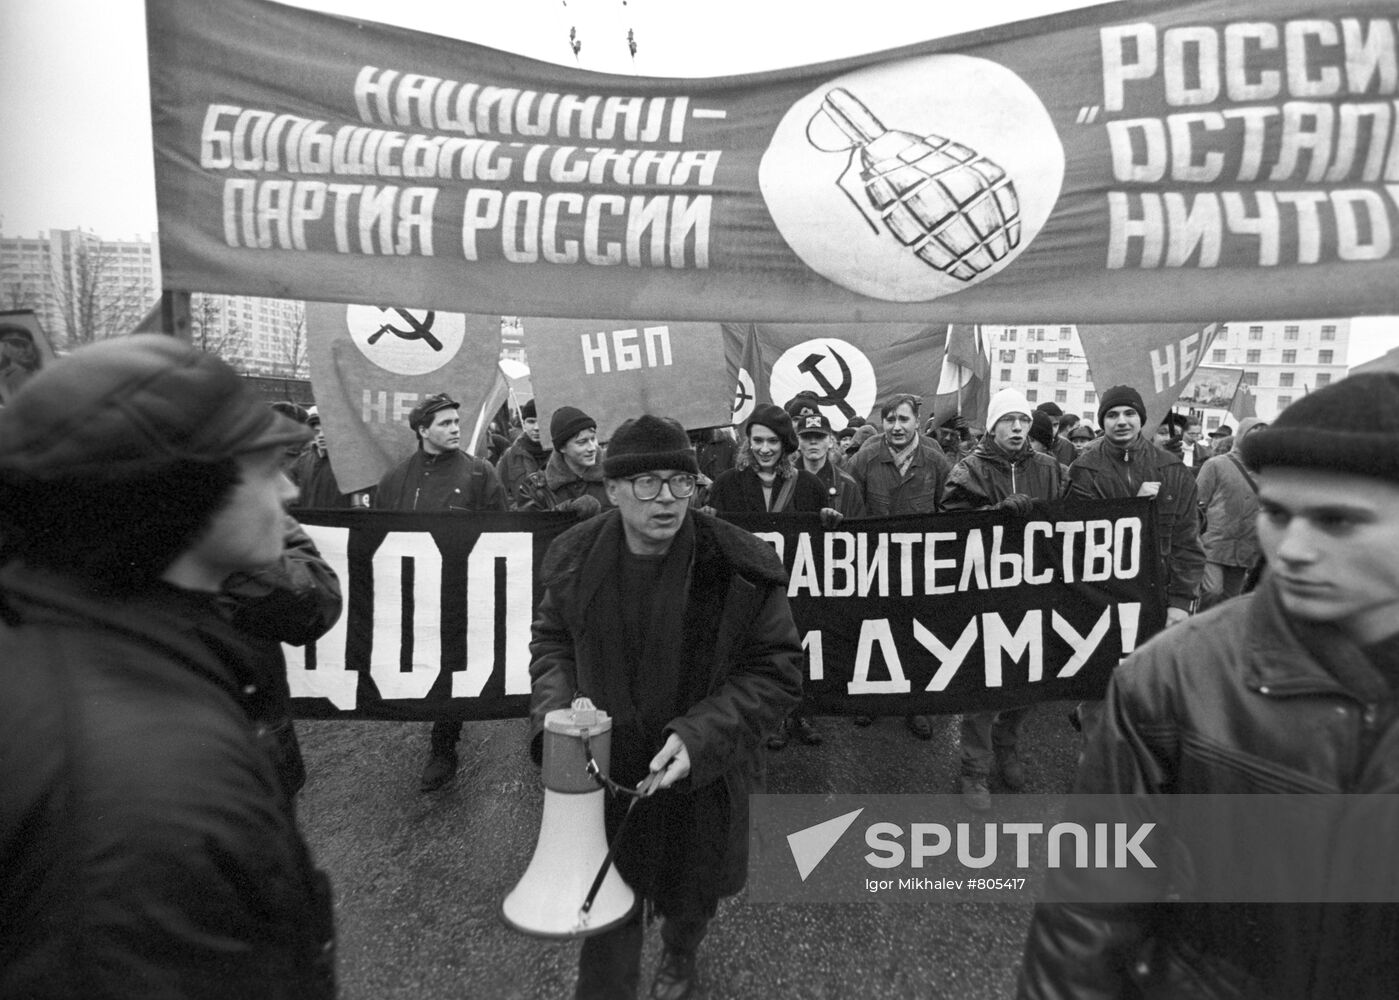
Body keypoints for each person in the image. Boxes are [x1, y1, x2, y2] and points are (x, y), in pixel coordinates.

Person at [1019, 371, 1399, 1000]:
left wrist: (1174, 593)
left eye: (1338, 521)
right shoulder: (1172, 677)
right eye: (1277, 513)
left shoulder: (1167, 470)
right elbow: (1087, 906)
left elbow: (1185, 536)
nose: (1293, 549)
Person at [0, 335, 336, 998]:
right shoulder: (138, 796)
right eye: (266, 468)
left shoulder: (92, 637)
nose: (292, 488)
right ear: (182, 491)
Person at [528, 413, 802, 1000]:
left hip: (700, 780)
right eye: (648, 483)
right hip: (604, 779)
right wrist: (554, 715)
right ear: (614, 489)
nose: (668, 498)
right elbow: (552, 643)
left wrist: (700, 736)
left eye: (682, 482)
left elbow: (775, 671)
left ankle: (681, 955)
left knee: (691, 893)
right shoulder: (574, 563)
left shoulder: (738, 568)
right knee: (607, 919)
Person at [943, 388, 1069, 810]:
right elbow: (949, 527)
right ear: (993, 426)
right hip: (985, 592)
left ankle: (1008, 744)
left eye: (1023, 421)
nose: (1017, 427)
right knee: (983, 681)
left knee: (1029, 678)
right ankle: (974, 770)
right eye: (1008, 420)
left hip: (1035, 589)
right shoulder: (968, 469)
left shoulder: (1050, 469)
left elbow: (1069, 520)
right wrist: (994, 514)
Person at [376, 392, 508, 791]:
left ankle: (443, 745)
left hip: (461, 596)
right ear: (422, 430)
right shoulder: (395, 480)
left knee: (451, 668)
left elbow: (504, 535)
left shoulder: (480, 473)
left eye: (456, 421)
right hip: (412, 596)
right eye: (445, 423)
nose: (455, 429)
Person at [709, 404, 843, 751]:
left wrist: (826, 519)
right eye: (757, 440)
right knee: (754, 653)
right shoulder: (727, 485)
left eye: (771, 441)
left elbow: (818, 540)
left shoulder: (809, 485)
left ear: (785, 445)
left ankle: (800, 713)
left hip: (796, 587)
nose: (764, 448)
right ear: (747, 443)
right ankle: (765, 718)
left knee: (797, 649)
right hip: (749, 589)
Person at [849, 392, 952, 740]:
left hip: (921, 566)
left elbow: (951, 512)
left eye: (903, 419)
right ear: (882, 422)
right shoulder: (864, 459)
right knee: (873, 634)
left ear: (917, 423)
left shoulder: (936, 461)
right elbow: (852, 510)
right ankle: (871, 699)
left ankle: (916, 703)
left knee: (918, 634)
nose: (896, 426)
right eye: (890, 419)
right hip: (876, 563)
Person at [1068, 385, 1203, 629]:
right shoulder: (1084, 470)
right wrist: (1134, 507)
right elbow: (1078, 542)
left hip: (1159, 597)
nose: (1121, 421)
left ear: (1141, 419)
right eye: (1112, 415)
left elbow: (1187, 542)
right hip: (1100, 597)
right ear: (1103, 421)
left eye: (1129, 413)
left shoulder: (1172, 470)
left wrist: (1180, 603)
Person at [1194, 416, 1268, 611]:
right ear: (1241, 436)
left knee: (1231, 600)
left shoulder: (1267, 472)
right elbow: (1197, 502)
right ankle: (1200, 629)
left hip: (1245, 545)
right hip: (1214, 542)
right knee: (1212, 591)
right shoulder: (1215, 464)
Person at [518, 405, 611, 517]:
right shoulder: (537, 488)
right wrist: (566, 511)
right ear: (562, 447)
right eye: (582, 442)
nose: (592, 448)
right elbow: (532, 529)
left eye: (593, 439)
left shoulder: (614, 475)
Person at [290, 405, 366, 508]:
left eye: (326, 431)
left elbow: (360, 510)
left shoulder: (354, 465)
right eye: (316, 431)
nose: (321, 435)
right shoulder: (301, 463)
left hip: (339, 523)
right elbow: (293, 502)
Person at [496, 399, 550, 510]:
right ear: (524, 423)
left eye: (541, 421)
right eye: (531, 421)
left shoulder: (561, 453)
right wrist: (520, 510)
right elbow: (499, 493)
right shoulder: (510, 456)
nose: (536, 428)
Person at [0, 323, 43, 406]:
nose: (24, 350)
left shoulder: (35, 375)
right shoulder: (7, 376)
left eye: (26, 345)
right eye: (16, 344)